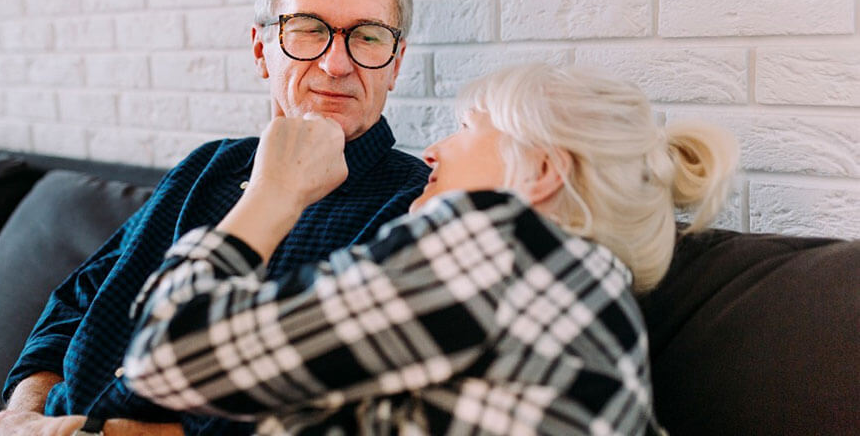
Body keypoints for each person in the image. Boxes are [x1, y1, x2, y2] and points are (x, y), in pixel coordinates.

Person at [0, 0, 431, 436]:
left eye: (367, 36)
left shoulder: (417, 206)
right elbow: (78, 300)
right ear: (261, 51)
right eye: (308, 28)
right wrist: (23, 413)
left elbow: (310, 417)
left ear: (395, 64)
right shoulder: (206, 167)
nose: (336, 61)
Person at [121, 63, 739, 435]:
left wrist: (271, 194)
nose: (432, 152)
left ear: (542, 170)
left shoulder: (501, 245)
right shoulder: (580, 294)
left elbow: (165, 354)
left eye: (469, 129)